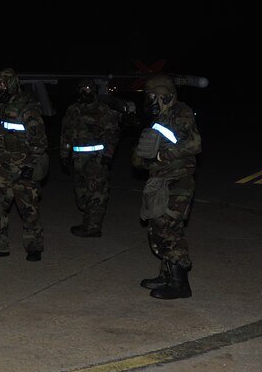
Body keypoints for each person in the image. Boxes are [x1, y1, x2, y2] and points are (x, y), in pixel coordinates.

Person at [132, 74, 202, 300]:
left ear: (165, 96)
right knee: (157, 228)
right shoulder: (159, 118)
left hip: (178, 180)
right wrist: (143, 159)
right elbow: (150, 150)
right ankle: (166, 275)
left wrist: (163, 155)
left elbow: (193, 144)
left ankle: (180, 284)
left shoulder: (180, 113)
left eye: (152, 96)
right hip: (161, 181)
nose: (149, 101)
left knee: (169, 230)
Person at [0, 68, 49, 262]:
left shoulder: (28, 108)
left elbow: (40, 141)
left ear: (12, 84)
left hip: (23, 165)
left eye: (3, 84)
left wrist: (30, 166)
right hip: (2, 165)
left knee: (28, 209)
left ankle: (34, 247)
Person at [59, 79, 121, 238]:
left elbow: (112, 133)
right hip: (78, 158)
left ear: (94, 90)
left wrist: (108, 154)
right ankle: (87, 221)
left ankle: (93, 227)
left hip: (96, 159)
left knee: (96, 193)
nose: (84, 92)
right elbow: (66, 134)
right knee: (81, 194)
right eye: (81, 89)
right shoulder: (73, 110)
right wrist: (65, 154)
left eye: (88, 89)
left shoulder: (103, 110)